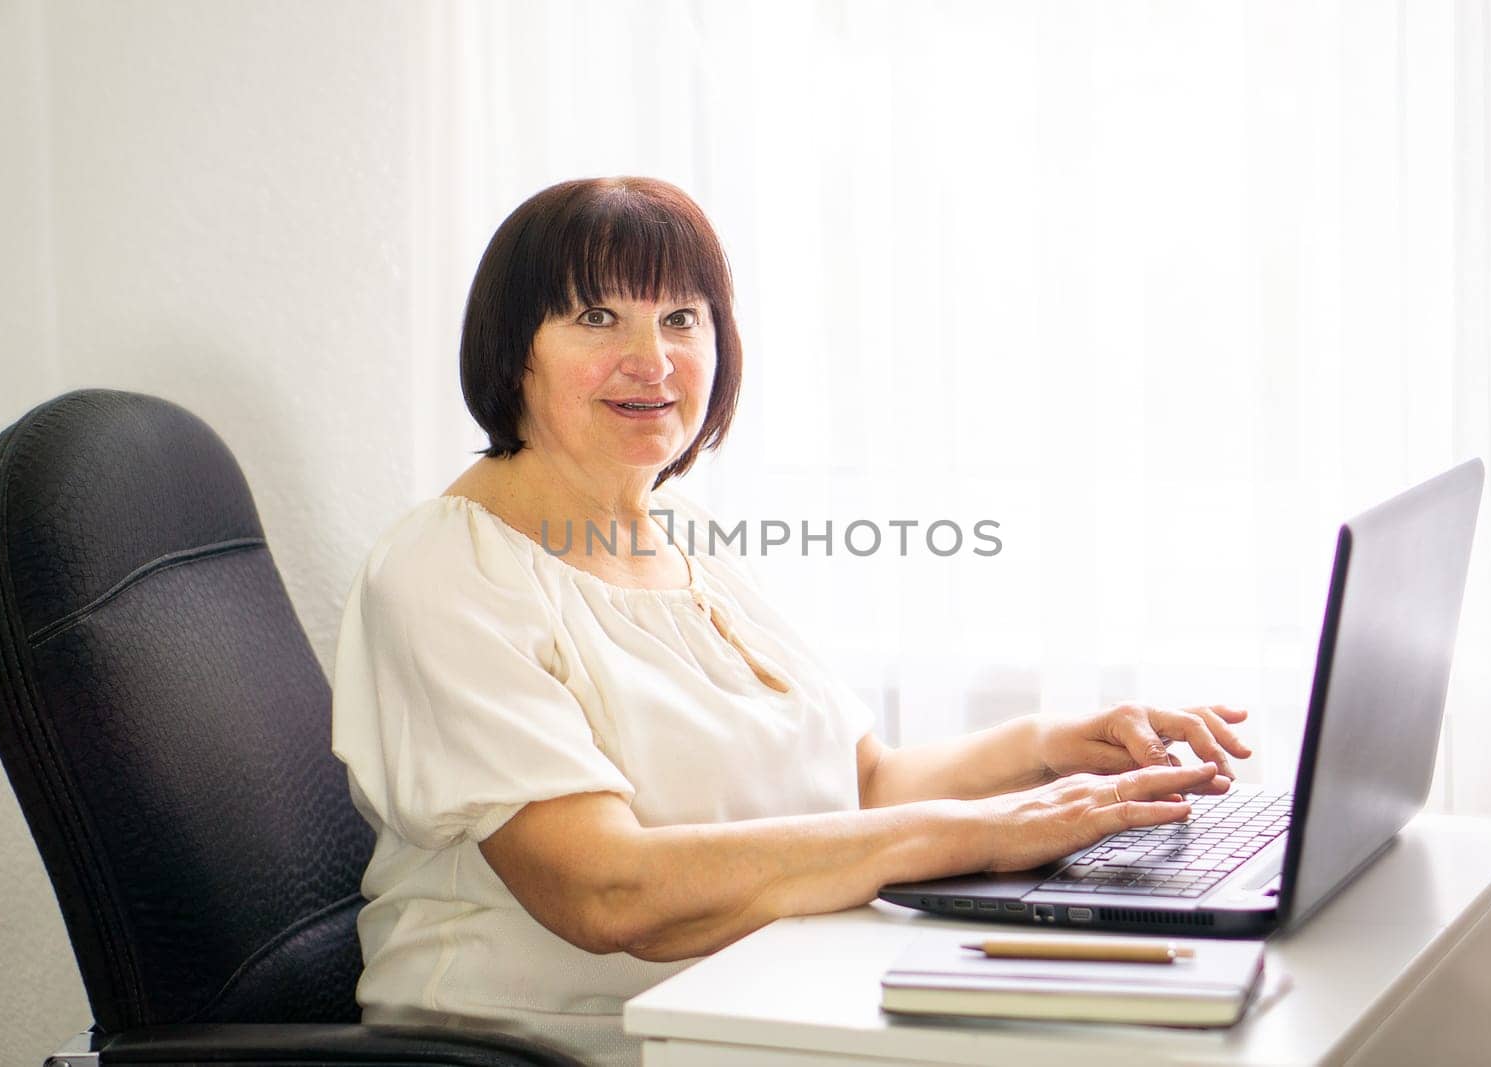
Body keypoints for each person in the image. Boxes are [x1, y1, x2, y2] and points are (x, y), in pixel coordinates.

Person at [330, 176, 1250, 1066]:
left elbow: (862, 783)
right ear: (511, 347)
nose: (652, 360)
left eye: (682, 319)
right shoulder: (446, 571)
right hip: (569, 1047)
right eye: (597, 317)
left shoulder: (684, 537)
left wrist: (1052, 749)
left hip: (768, 1002)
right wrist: (997, 831)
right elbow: (607, 890)